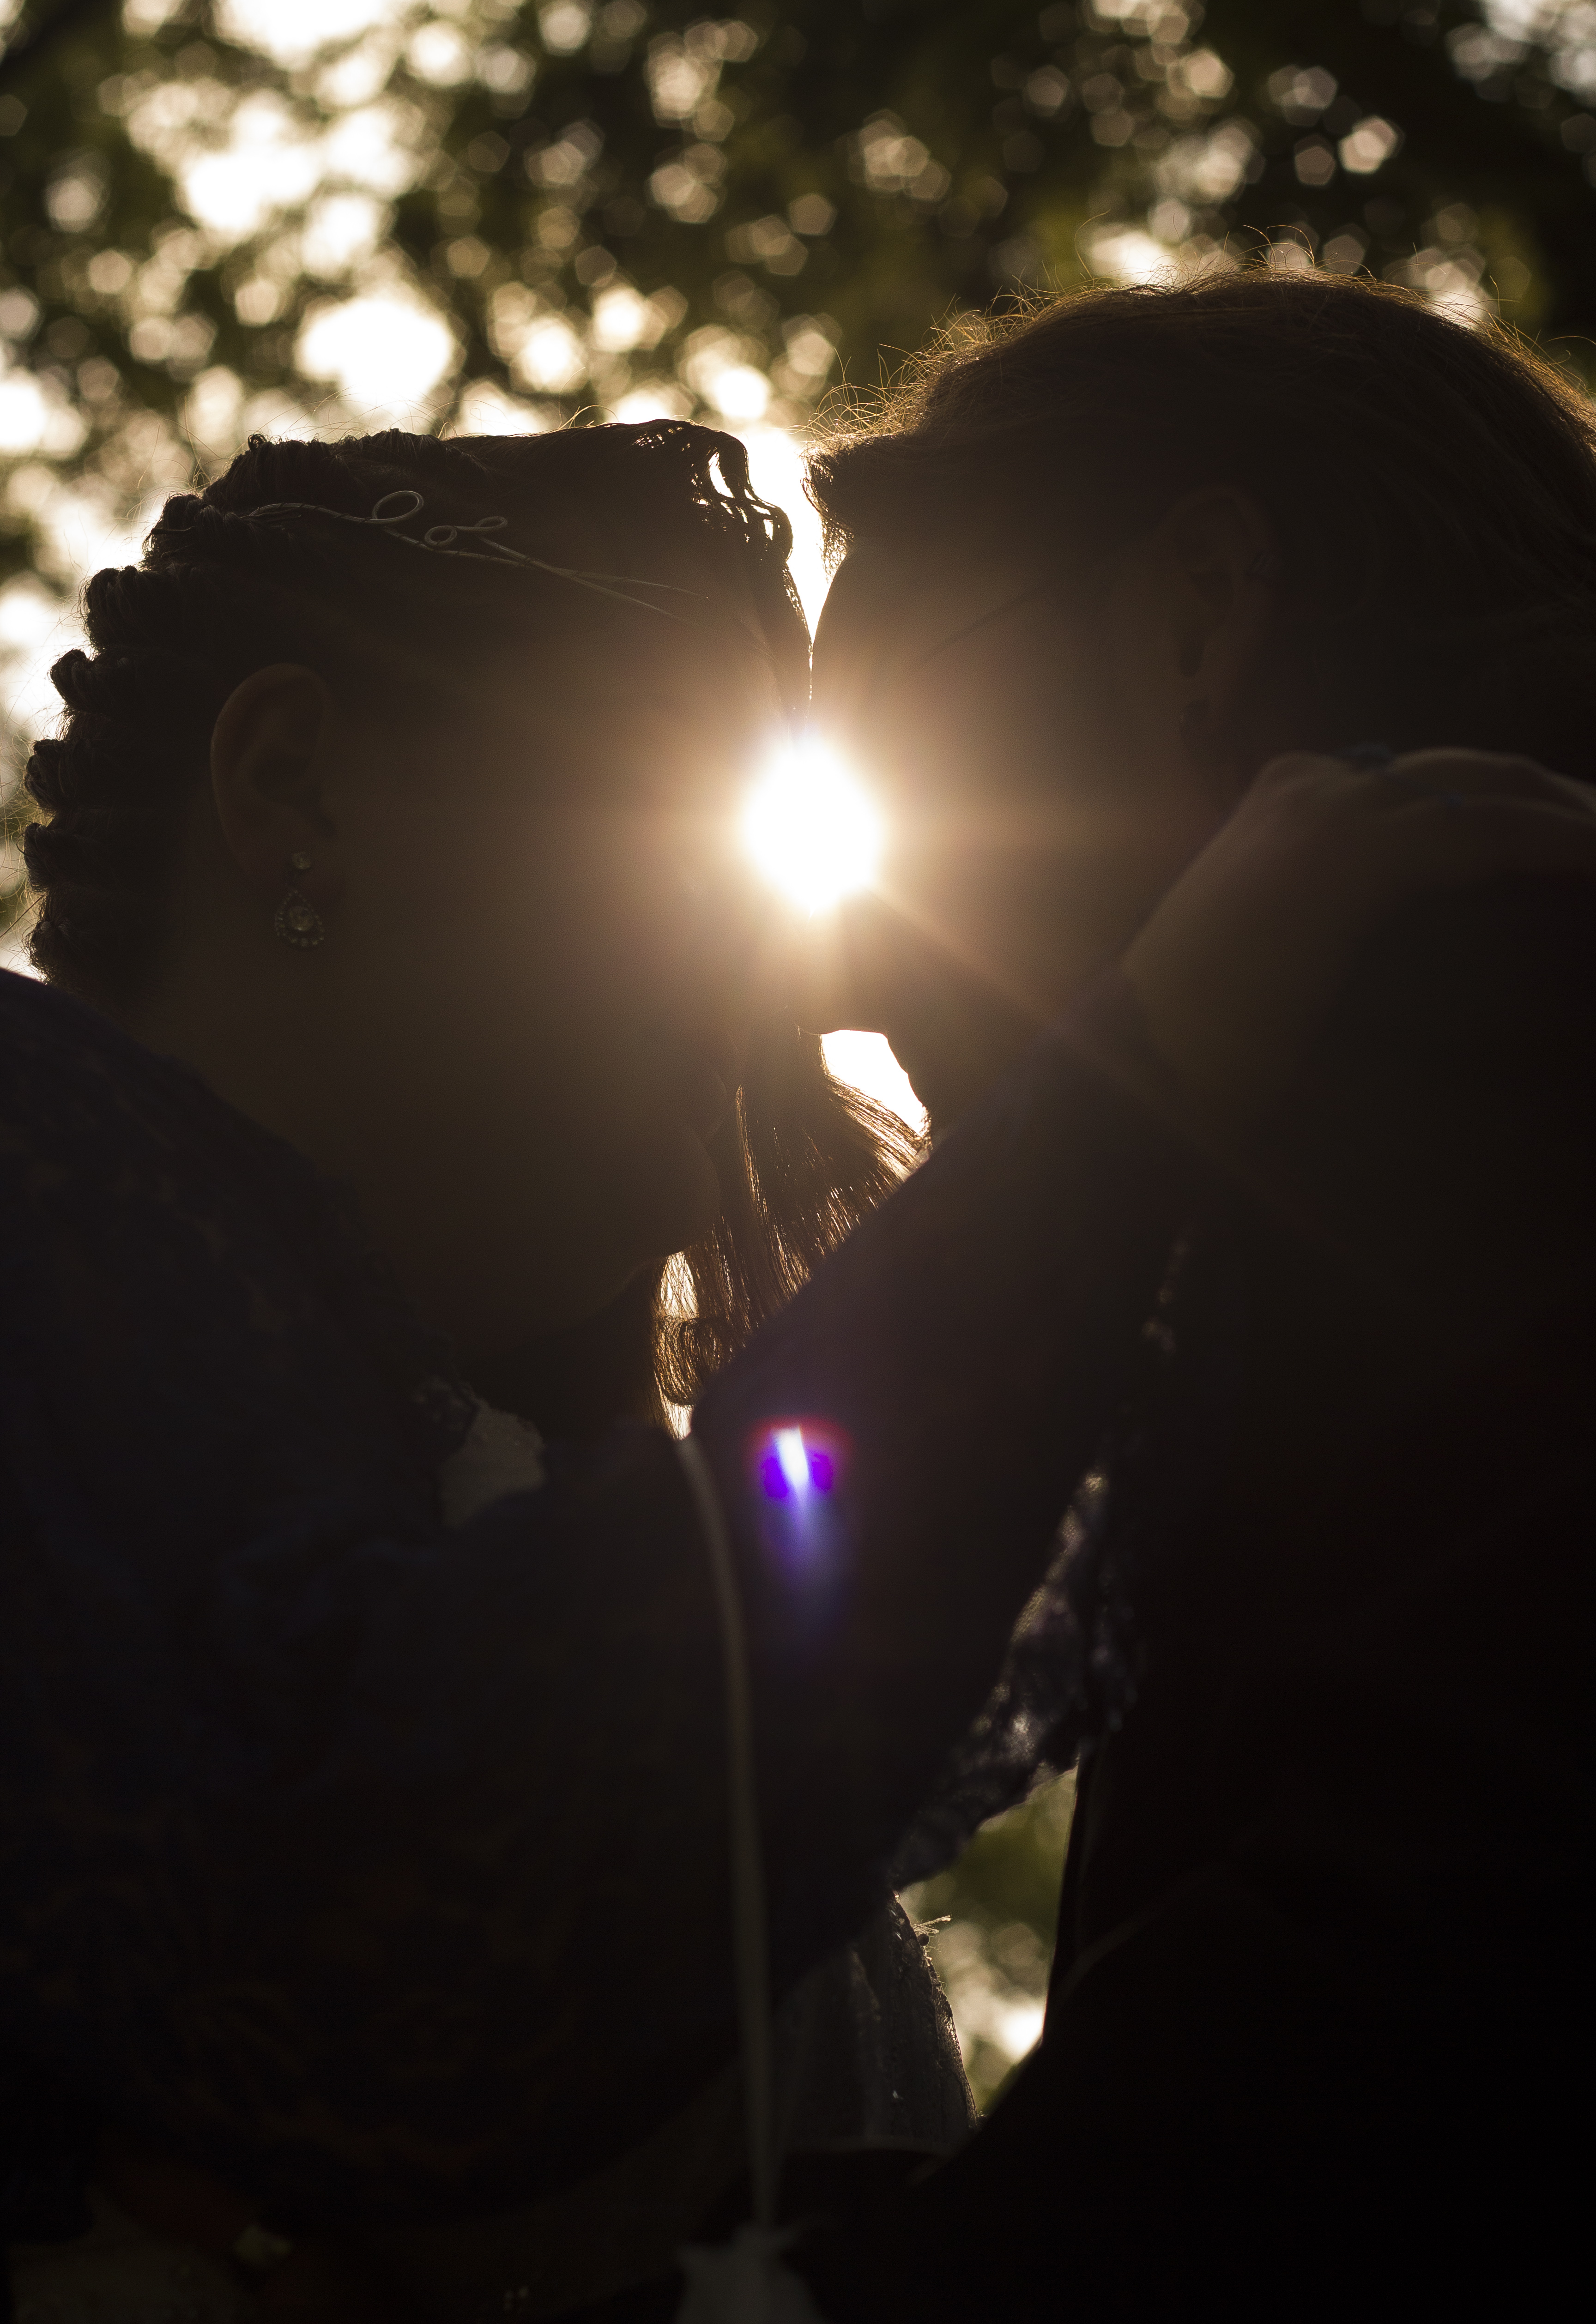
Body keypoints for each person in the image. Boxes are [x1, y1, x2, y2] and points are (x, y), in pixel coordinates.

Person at [0, 409, 1586, 2324]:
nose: (798, 979)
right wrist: (1139, 1073)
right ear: (296, 788)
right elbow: (401, 1904)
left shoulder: (541, 1513)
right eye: (688, 835)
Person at [784, 268, 1596, 2313]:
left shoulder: (1483, 1035)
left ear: (1199, 616)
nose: (852, 971)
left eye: (883, 762)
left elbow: (1404, 1985)